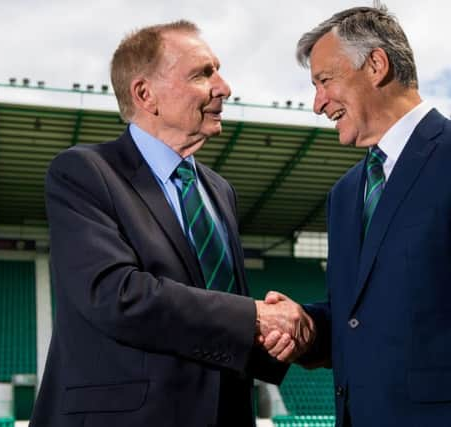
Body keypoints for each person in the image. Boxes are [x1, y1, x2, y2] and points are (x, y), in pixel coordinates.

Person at [262, 4, 451, 427]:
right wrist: (307, 326)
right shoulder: (345, 194)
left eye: (324, 81)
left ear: (376, 65)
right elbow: (357, 318)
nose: (317, 104)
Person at [30, 20, 314, 427]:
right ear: (146, 94)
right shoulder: (84, 172)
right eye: (203, 73)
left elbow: (222, 307)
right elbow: (116, 294)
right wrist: (254, 318)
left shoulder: (219, 191)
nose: (225, 87)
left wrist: (281, 337)